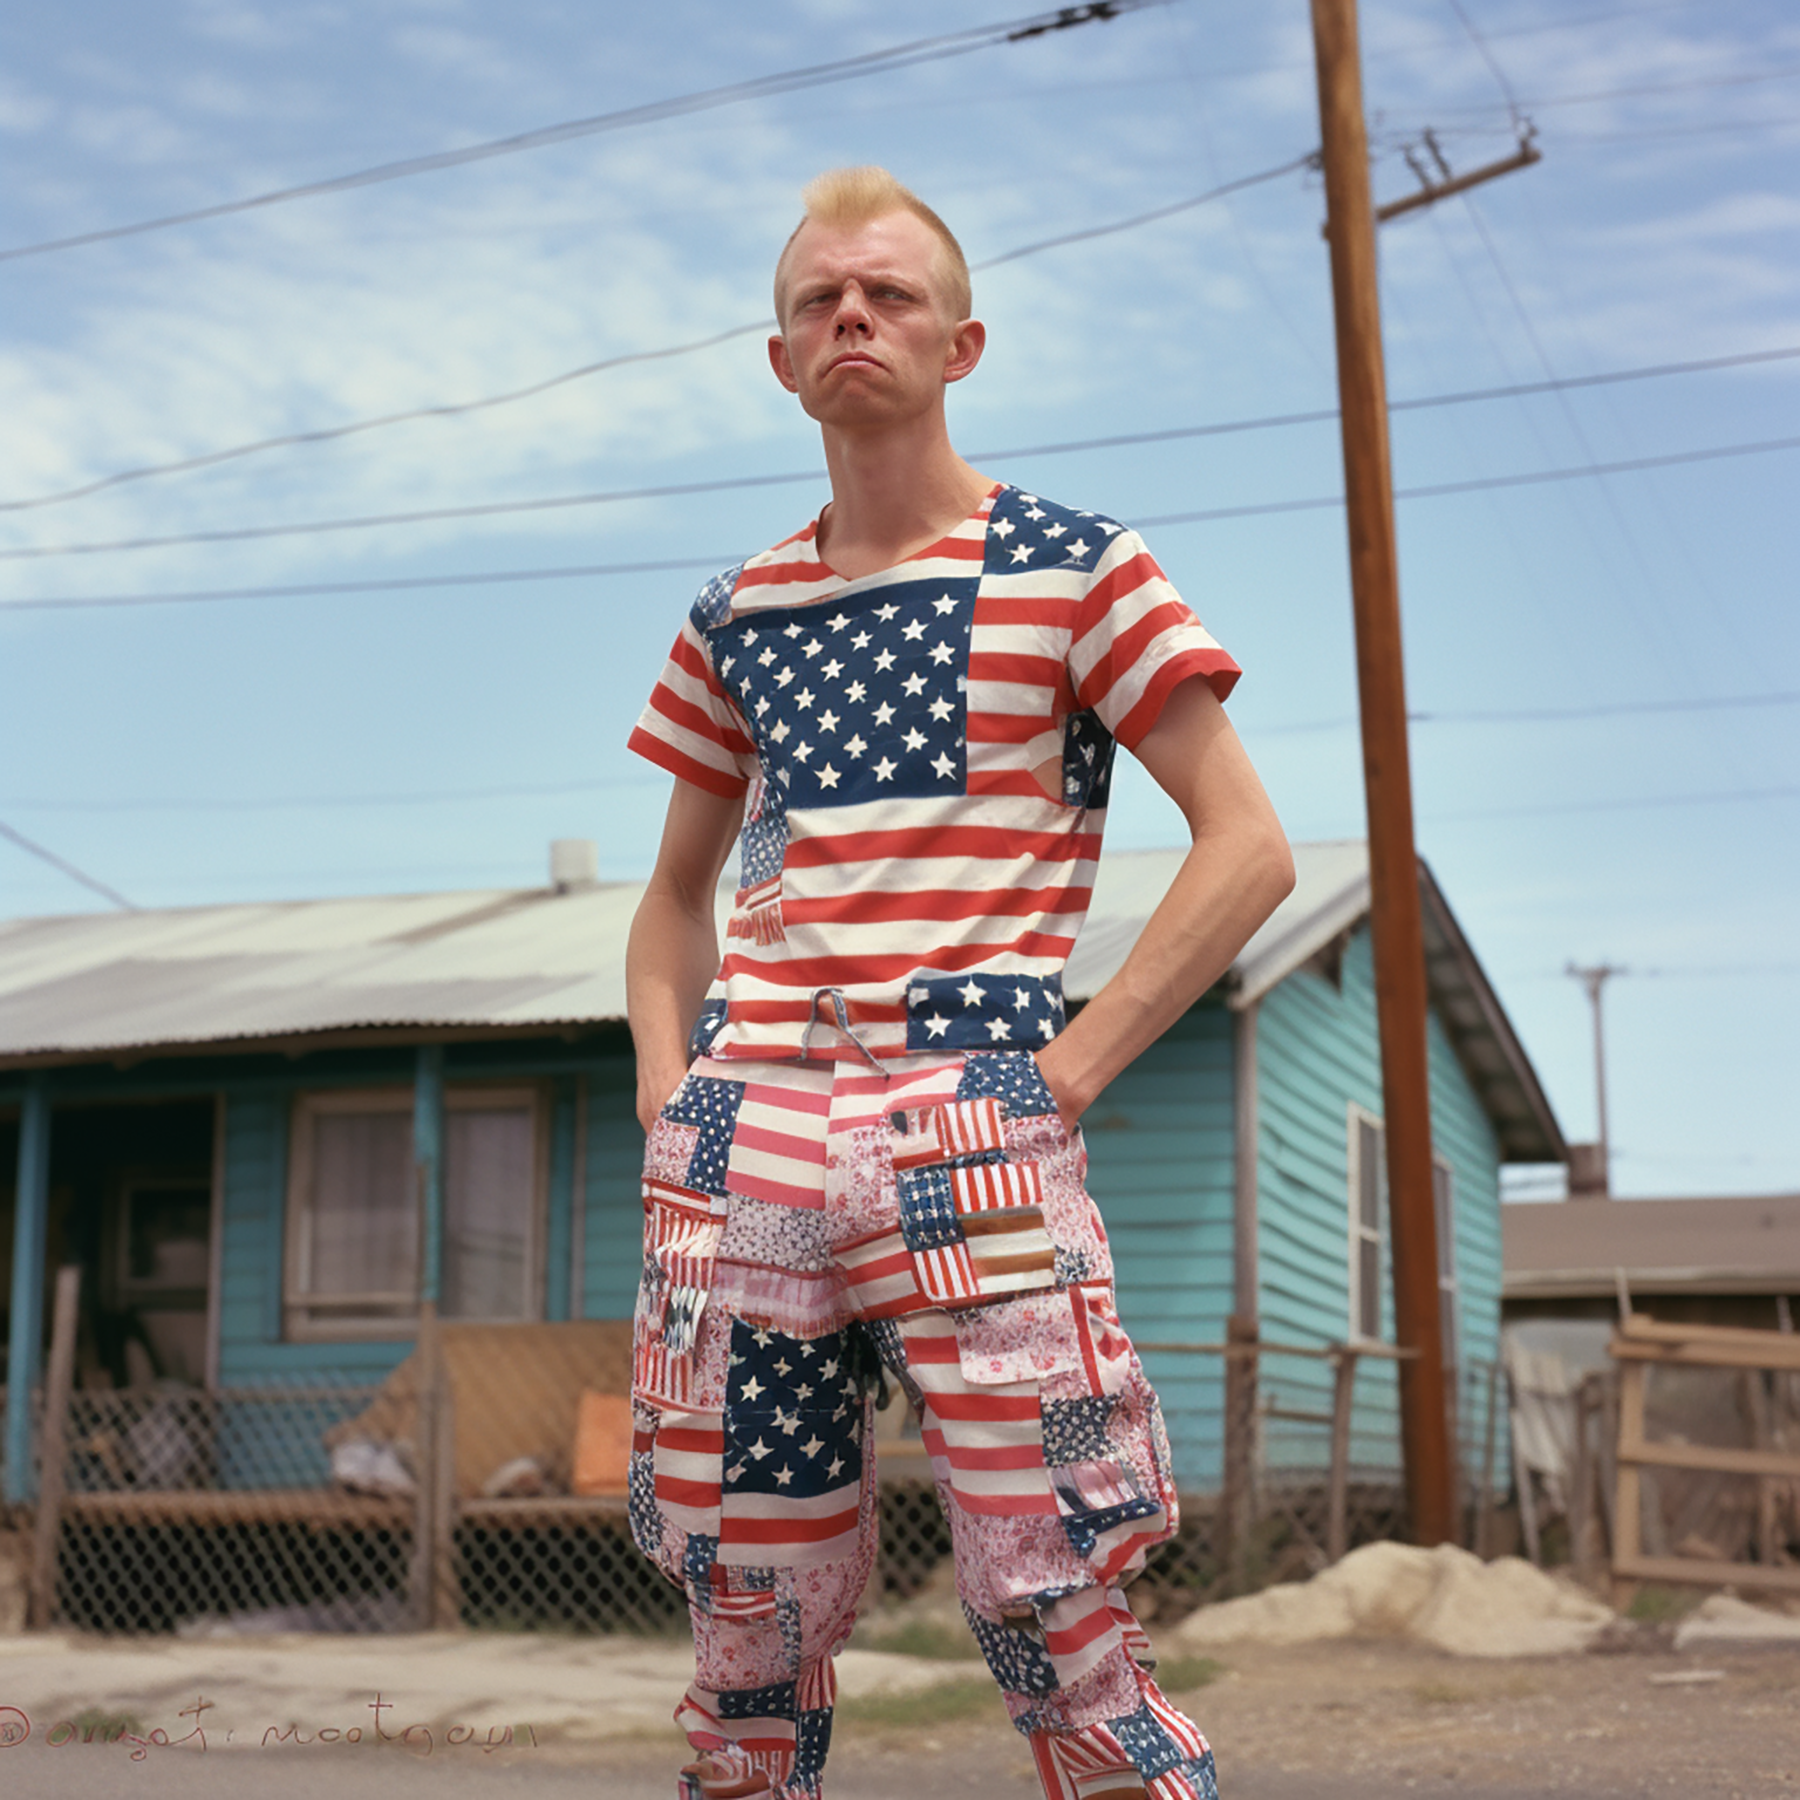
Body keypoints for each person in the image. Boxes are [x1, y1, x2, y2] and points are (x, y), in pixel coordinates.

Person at [624, 166, 1294, 1800]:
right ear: (781, 359)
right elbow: (668, 903)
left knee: (1052, 1566)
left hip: (968, 1124)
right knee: (743, 1599)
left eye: (890, 293)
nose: (852, 315)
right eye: (817, 300)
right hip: (747, 1141)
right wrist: (672, 1110)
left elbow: (1249, 845)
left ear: (960, 339)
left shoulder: (1077, 567)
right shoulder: (738, 613)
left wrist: (1064, 1070)